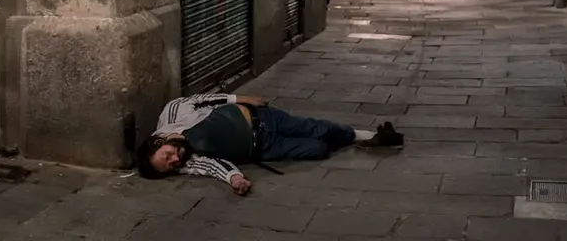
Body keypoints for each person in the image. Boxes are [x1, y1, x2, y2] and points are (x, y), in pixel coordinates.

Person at [136, 93, 403, 195]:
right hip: (264, 147)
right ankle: (338, 140)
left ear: (158, 141)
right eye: (169, 168)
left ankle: (367, 136)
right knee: (316, 149)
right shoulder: (188, 162)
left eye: (167, 156)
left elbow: (206, 99)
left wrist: (243, 98)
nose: (174, 162)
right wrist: (235, 179)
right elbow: (214, 167)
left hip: (262, 119)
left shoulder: (173, 113)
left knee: (315, 127)